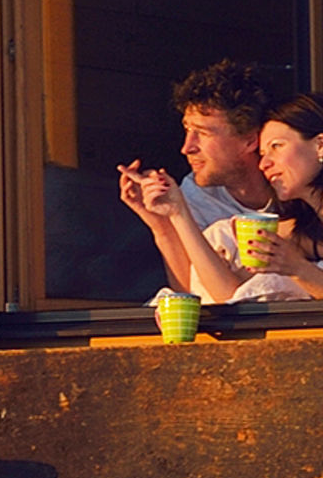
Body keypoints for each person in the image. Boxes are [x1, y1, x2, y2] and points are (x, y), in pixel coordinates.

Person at [124, 94, 323, 304]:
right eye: (262, 153)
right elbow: (227, 294)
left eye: (277, 147)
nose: (265, 163)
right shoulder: (305, 222)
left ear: (321, 145)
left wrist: (298, 269)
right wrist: (173, 217)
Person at [110, 59, 287, 299]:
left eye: (202, 133)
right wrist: (161, 225)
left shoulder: (294, 183)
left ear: (249, 140)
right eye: (187, 130)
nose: (187, 147)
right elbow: (193, 292)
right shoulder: (195, 194)